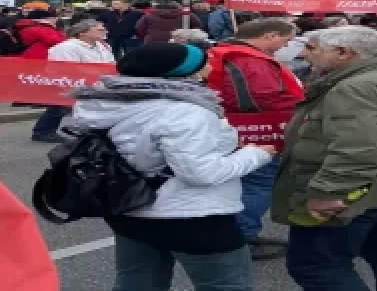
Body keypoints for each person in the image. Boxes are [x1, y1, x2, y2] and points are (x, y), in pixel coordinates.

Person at [70, 44, 276, 291]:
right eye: (205, 63)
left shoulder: (102, 102)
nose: (211, 67)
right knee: (226, 284)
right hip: (192, 215)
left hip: (128, 206)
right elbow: (201, 173)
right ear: (186, 73)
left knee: (137, 283)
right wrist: (256, 154)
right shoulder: (185, 111)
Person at [273, 27, 377, 291]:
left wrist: (329, 192)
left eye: (313, 48)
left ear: (344, 53)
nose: (305, 54)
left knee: (317, 265)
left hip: (355, 194)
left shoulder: (353, 88)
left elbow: (358, 148)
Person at [206, 18, 304, 259]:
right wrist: (303, 106)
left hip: (234, 128)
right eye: (285, 40)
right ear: (270, 36)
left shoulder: (222, 52)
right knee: (258, 184)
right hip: (259, 130)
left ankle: (237, 232)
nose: (285, 46)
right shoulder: (251, 60)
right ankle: (242, 237)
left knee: (244, 183)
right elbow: (266, 97)